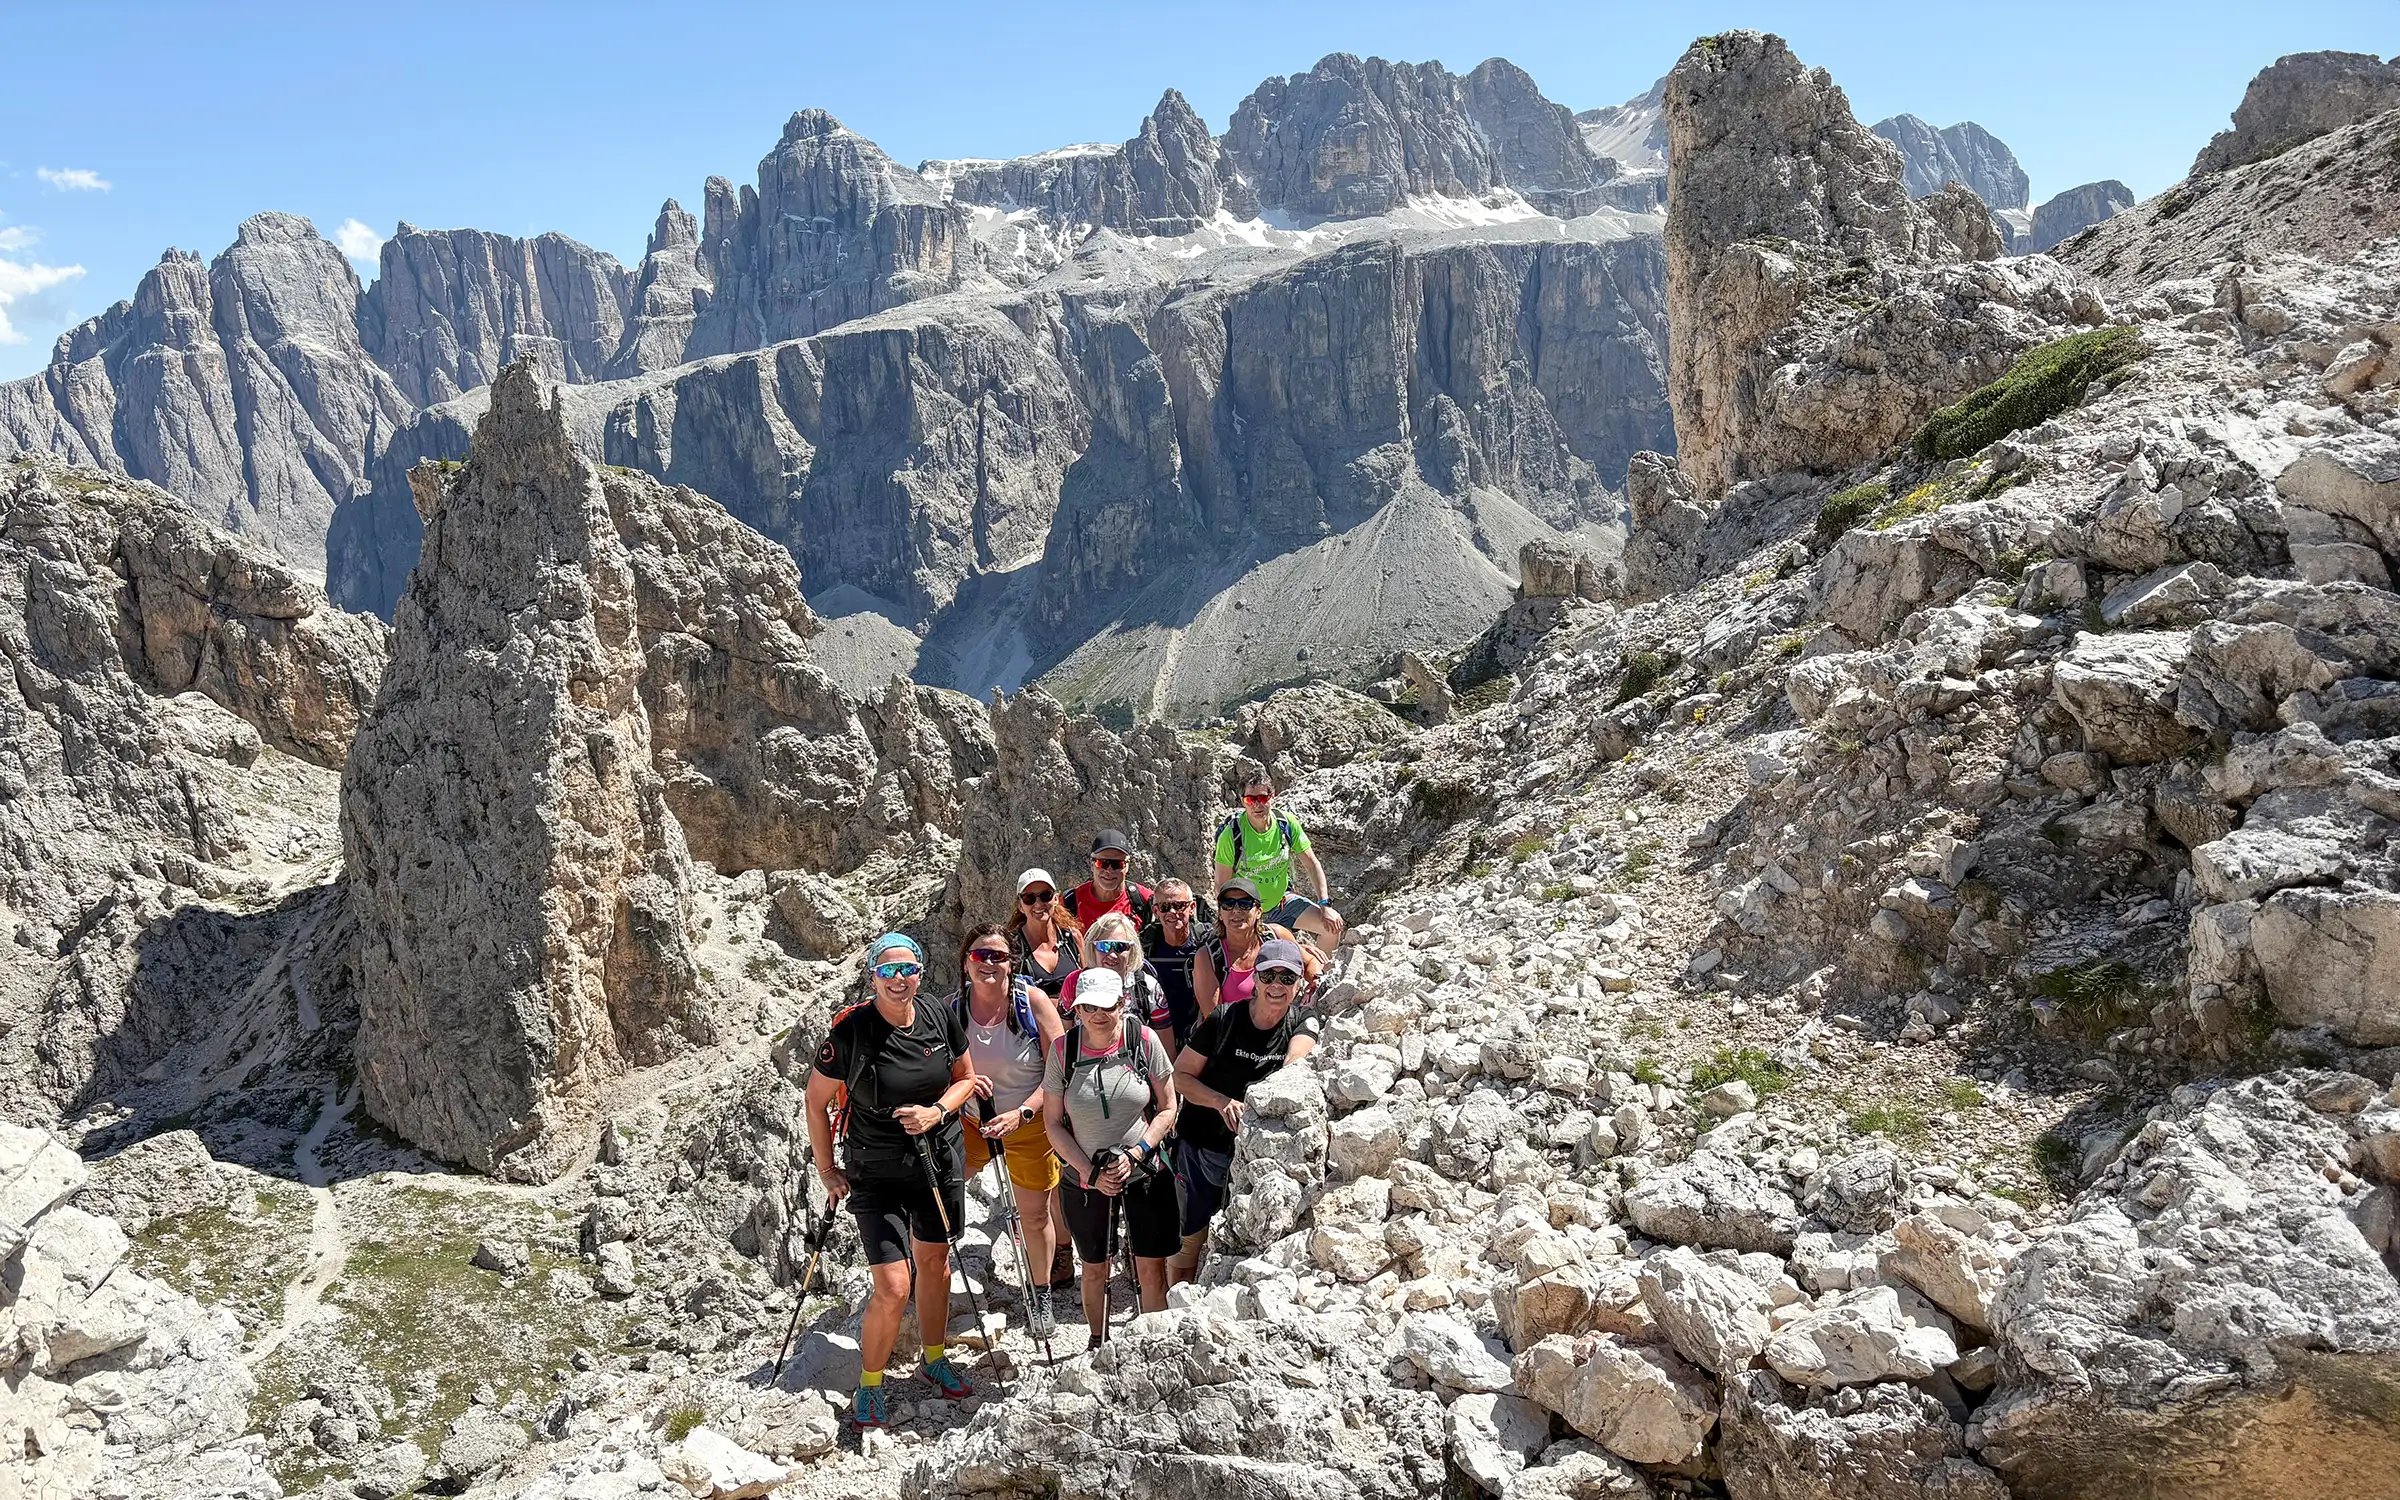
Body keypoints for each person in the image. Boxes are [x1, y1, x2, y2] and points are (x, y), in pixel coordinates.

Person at [803, 935, 983, 1427]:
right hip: (876, 1171)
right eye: (888, 971)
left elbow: (966, 1078)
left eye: (909, 968)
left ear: (921, 973)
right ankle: (871, 1384)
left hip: (936, 1160)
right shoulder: (851, 1032)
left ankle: (934, 1358)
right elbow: (815, 1102)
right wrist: (826, 1170)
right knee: (892, 1286)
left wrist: (937, 1111)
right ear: (872, 977)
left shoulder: (938, 1015)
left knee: (936, 1263)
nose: (899, 979)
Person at [1169, 937, 1322, 1285]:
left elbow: (1295, 1062)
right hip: (1202, 1145)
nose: (1277, 986)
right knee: (1190, 1241)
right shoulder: (1224, 1020)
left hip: (1255, 1160)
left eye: (1287, 978)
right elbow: (1179, 1076)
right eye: (1269, 976)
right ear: (1255, 978)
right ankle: (1174, 1309)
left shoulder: (1302, 1021)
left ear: (1299, 983)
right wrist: (1221, 1101)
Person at [1040, 966, 1179, 1342]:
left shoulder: (1144, 1041)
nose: (1099, 1015)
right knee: (1094, 1267)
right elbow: (1052, 1123)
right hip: (1085, 1177)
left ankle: (1154, 1343)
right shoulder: (1062, 1051)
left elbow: (1168, 1107)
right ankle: (1098, 1342)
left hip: (1143, 1171)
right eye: (1089, 1007)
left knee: (1150, 1267)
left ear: (1123, 1003)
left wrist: (1136, 1153)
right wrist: (1090, 1172)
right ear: (1077, 1009)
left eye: (1108, 1006)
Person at [949, 923, 1069, 1339]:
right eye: (981, 956)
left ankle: (1040, 1293)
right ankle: (925, 1272)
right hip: (968, 1122)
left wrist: (1024, 1114)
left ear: (1012, 963)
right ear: (966, 963)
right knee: (938, 1200)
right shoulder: (953, 1010)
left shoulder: (1032, 1002)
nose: (989, 964)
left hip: (1027, 1124)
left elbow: (1059, 1071)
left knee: (1034, 1216)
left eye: (998, 956)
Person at [1211, 772, 1328, 925]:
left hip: (1282, 904)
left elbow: (1312, 864)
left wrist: (1324, 904)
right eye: (1250, 799)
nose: (1256, 805)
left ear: (1273, 796)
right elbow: (1222, 885)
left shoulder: (1286, 824)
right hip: (1247, 911)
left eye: (1262, 798)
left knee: (1331, 928)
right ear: (1242, 801)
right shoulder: (1232, 835)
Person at [1060, 912, 1171, 1037]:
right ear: (1093, 948)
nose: (1112, 955)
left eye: (1120, 946)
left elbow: (1165, 1046)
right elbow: (1063, 1039)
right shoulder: (1074, 982)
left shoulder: (1147, 986)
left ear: (1132, 949)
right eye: (1104, 946)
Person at [1136, 878, 1213, 1052]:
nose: (1172, 912)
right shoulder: (1145, 946)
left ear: (1192, 908)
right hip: (1157, 1037)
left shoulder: (1209, 942)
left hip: (1201, 1033)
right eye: (1164, 907)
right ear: (1156, 911)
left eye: (1179, 906)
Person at [1192, 876, 1268, 1022]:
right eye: (1228, 904)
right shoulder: (1208, 957)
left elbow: (1309, 962)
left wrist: (1315, 977)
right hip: (1230, 1037)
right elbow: (1215, 1020)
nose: (1236, 910)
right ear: (1220, 914)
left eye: (1245, 904)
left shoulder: (1275, 938)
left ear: (1258, 912)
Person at [1008, 868, 1086, 997]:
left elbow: (1087, 984)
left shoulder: (1073, 938)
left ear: (1055, 899)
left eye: (1045, 896)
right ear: (1020, 906)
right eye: (1029, 898)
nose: (1038, 904)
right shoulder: (1011, 946)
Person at [1064, 829, 1153, 928]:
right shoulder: (1069, 902)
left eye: (1117, 864)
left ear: (1127, 866)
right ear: (1092, 864)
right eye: (1102, 863)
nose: (1109, 870)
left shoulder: (1145, 901)